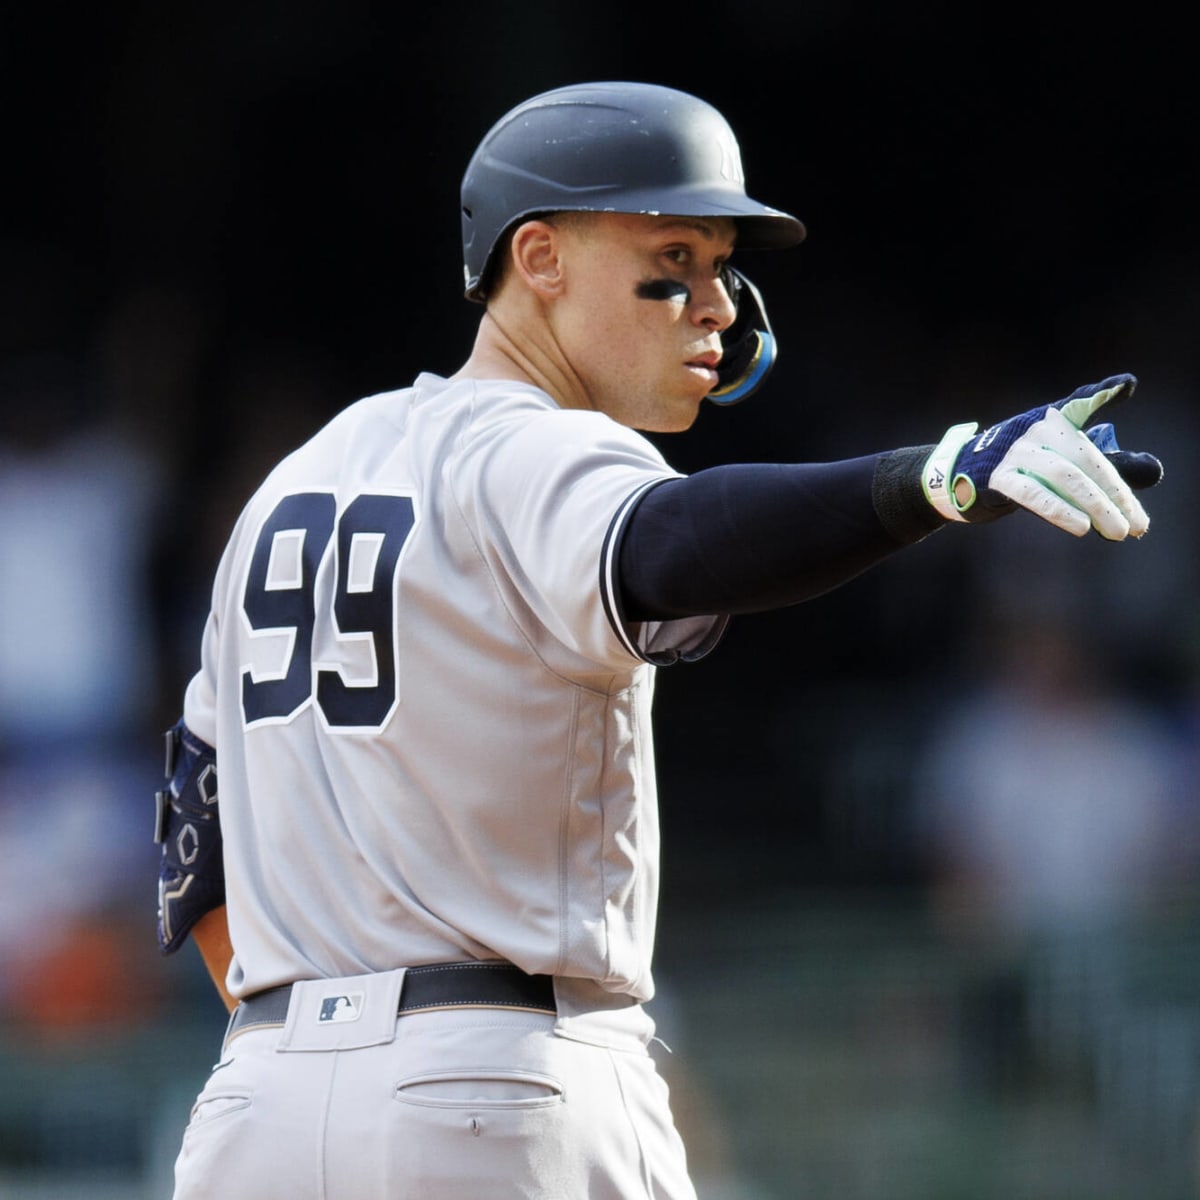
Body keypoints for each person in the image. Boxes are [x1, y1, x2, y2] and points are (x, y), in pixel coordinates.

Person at [156, 81, 1163, 1199]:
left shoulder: (290, 485)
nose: (720, 305)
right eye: (675, 256)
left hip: (255, 1114)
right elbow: (673, 541)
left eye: (723, 264)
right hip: (498, 1095)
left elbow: (194, 846)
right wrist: (929, 482)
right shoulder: (527, 450)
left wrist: (325, 1048)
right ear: (537, 259)